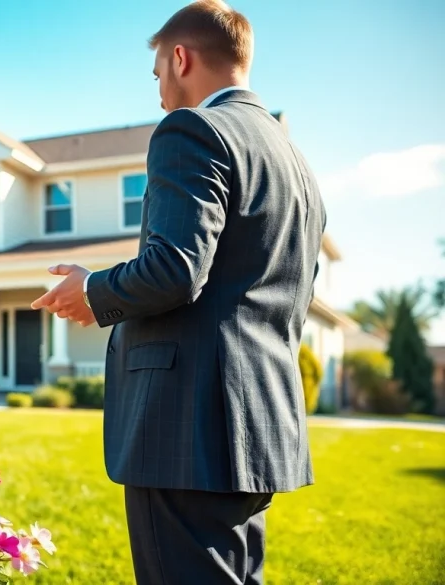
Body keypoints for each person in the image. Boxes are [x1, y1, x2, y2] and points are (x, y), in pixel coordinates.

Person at [30, 1, 326, 583]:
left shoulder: (192, 129)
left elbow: (175, 268)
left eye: (158, 73)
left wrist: (92, 291)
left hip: (186, 427)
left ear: (180, 58)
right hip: (260, 423)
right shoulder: (295, 161)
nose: (160, 91)